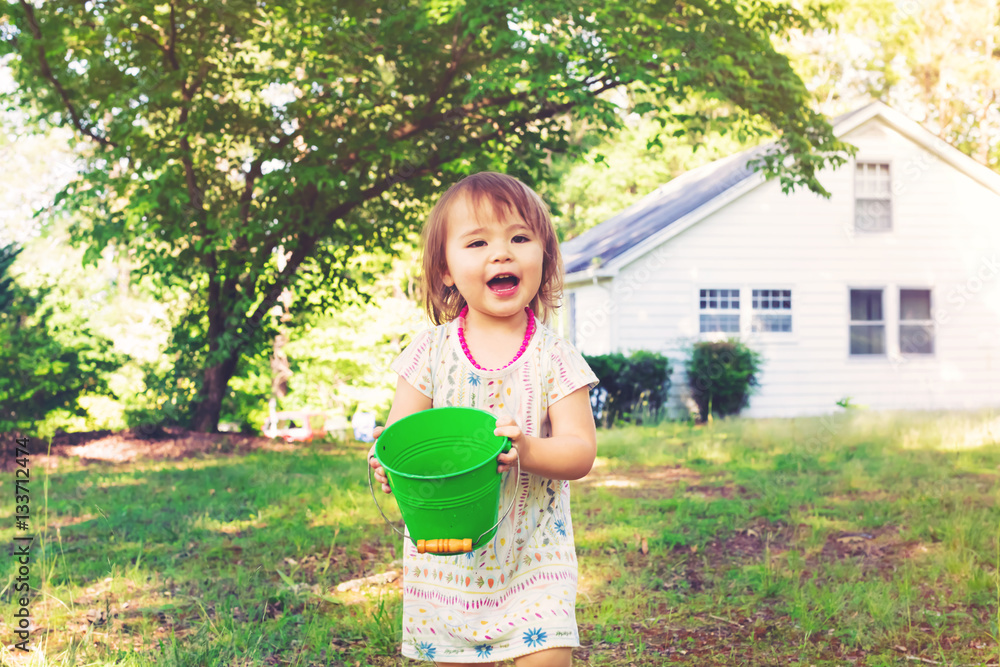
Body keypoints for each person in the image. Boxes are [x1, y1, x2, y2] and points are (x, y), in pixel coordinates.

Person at [368, 172, 599, 666]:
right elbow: (400, 441)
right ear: (446, 270)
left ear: (545, 258)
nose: (502, 253)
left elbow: (581, 451)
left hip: (534, 558)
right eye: (477, 242)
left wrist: (530, 450)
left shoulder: (555, 357)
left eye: (520, 238)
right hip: (446, 564)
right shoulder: (428, 353)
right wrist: (389, 467)